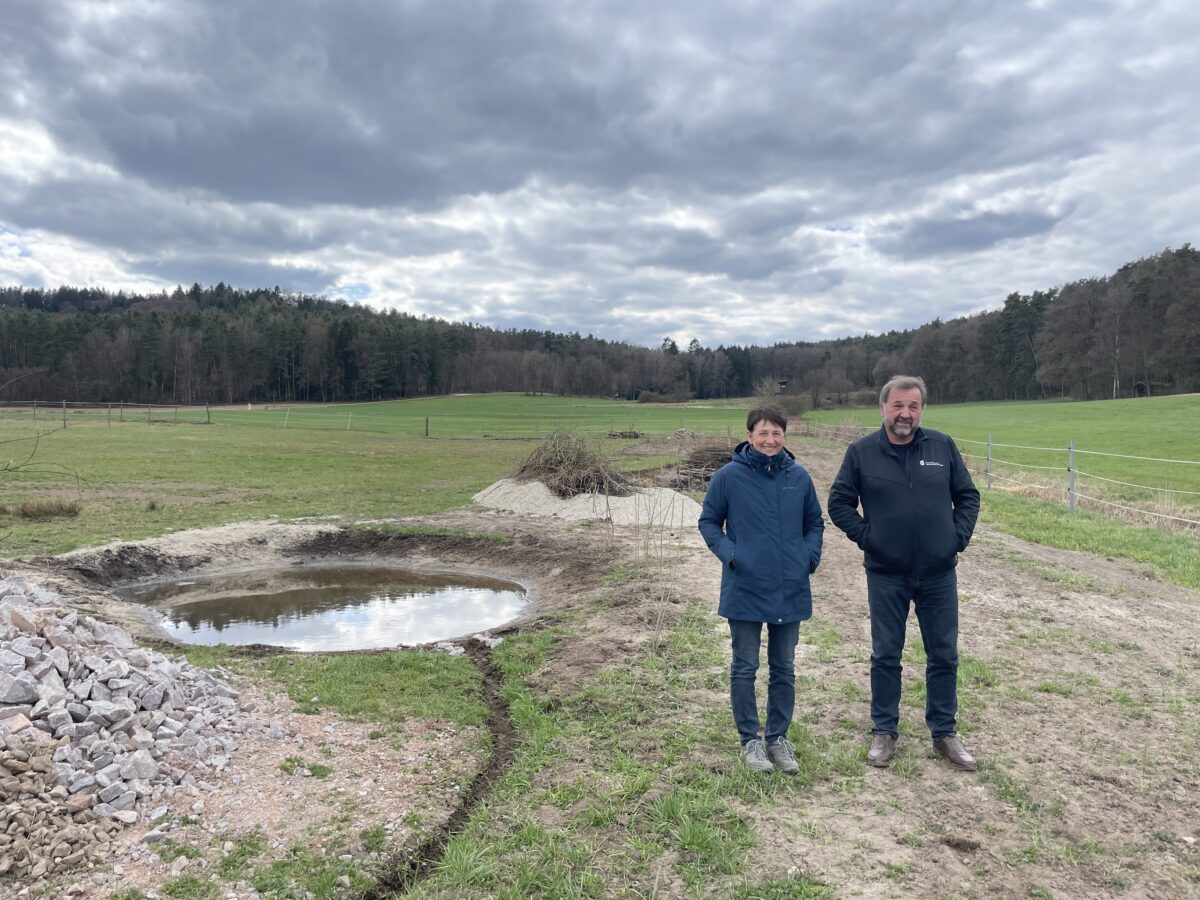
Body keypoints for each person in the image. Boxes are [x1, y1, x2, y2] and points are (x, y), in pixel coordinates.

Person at [827, 375, 981, 771]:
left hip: (938, 573)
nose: (905, 414)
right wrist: (869, 538)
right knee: (886, 654)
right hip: (887, 573)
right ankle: (884, 731)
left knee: (944, 655)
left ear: (921, 410)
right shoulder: (862, 452)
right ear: (883, 408)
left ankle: (944, 733)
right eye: (897, 405)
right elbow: (839, 502)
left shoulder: (941, 446)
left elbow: (967, 496)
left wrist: (956, 538)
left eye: (913, 407)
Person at [699, 406, 824, 774]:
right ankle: (750, 741)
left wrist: (808, 556)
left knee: (784, 666)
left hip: (790, 586)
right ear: (750, 435)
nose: (770, 440)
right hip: (746, 586)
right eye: (763, 433)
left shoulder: (798, 477)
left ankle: (778, 738)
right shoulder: (728, 477)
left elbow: (815, 522)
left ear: (785, 436)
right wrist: (731, 555)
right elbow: (708, 521)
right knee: (745, 666)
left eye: (777, 433)